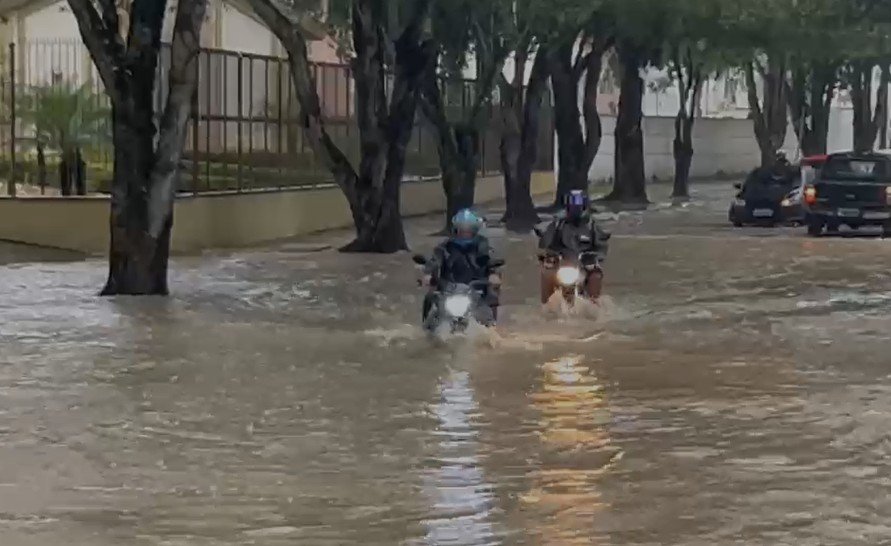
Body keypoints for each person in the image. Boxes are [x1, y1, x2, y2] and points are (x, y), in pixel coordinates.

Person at [420, 209, 502, 324]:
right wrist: (428, 274)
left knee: (492, 299)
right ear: (455, 230)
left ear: (474, 230)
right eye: (462, 231)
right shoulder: (445, 247)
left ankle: (493, 328)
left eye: (468, 231)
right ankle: (425, 330)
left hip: (476, 290)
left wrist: (493, 274)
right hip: (448, 290)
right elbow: (434, 261)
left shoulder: (483, 246)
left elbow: (491, 261)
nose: (464, 234)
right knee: (430, 298)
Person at [537, 190, 609, 304]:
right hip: (562, 263)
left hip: (584, 265)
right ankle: (547, 306)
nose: (575, 208)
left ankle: (594, 305)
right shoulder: (557, 225)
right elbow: (545, 243)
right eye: (572, 205)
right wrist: (549, 255)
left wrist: (595, 258)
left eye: (578, 204)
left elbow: (602, 247)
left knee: (596, 276)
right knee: (547, 274)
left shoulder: (592, 226)